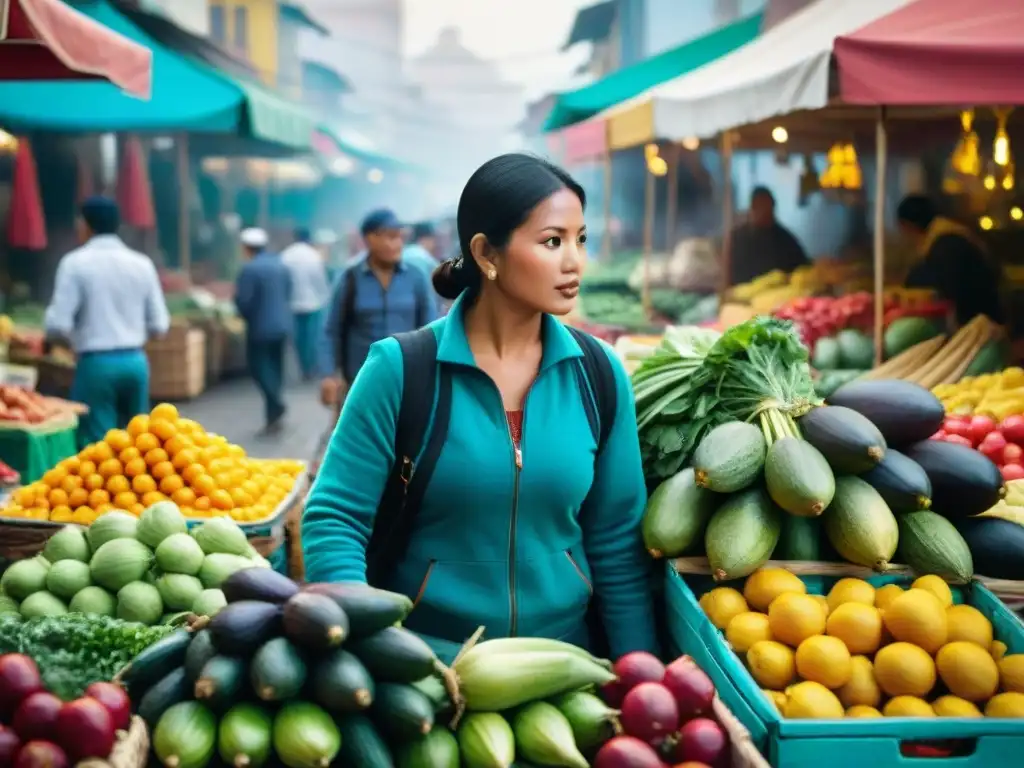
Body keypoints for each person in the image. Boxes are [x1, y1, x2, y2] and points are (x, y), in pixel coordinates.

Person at [302, 154, 658, 662]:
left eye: (582, 240)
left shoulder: (597, 373)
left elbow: (617, 541)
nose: (575, 261)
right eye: (552, 241)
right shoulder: (401, 370)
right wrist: (368, 650)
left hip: (564, 666)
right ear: (487, 253)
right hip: (424, 668)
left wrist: (637, 671)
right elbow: (335, 518)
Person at [44, 196, 169, 446]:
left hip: (96, 365)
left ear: (86, 225)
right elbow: (159, 326)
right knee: (142, 448)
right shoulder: (141, 264)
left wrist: (66, 342)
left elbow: (58, 324)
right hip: (135, 363)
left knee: (100, 453)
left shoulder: (75, 263)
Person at [319, 209, 437, 411]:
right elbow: (332, 329)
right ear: (369, 239)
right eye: (390, 237)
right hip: (361, 382)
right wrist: (329, 375)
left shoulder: (415, 277)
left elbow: (430, 327)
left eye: (399, 238)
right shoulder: (350, 279)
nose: (397, 244)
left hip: (406, 379)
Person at [897, 194, 1003, 325]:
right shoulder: (949, 237)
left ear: (908, 226)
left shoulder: (946, 246)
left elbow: (943, 294)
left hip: (978, 329)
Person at [234, 227, 292, 434]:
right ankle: (272, 417)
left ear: (247, 248)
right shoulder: (280, 265)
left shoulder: (249, 269)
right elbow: (288, 292)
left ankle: (275, 403)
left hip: (260, 328)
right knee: (276, 368)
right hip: (283, 325)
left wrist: (244, 315)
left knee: (260, 369)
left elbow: (244, 301)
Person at [728, 186, 809, 285]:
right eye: (762, 207)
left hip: (780, 295)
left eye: (770, 208)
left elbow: (803, 267)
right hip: (740, 294)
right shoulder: (737, 238)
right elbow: (727, 272)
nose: (767, 212)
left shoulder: (786, 240)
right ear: (753, 207)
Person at [281, 226, 331, 380]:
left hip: (293, 303)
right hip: (313, 303)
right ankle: (311, 367)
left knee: (298, 338)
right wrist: (325, 298)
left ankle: (303, 366)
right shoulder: (313, 255)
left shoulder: (285, 255)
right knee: (313, 337)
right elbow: (320, 280)